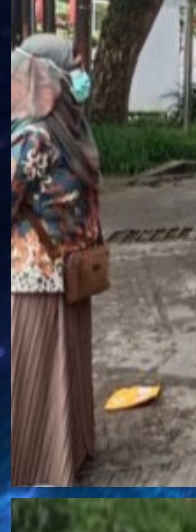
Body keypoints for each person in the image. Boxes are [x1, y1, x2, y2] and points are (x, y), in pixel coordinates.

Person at [11, 36, 102, 488]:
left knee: (39, 374)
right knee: (67, 367)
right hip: (72, 269)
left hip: (36, 277)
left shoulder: (33, 135)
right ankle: (72, 451)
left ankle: (41, 464)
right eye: (75, 65)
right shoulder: (73, 127)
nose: (80, 74)